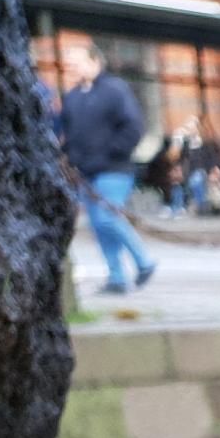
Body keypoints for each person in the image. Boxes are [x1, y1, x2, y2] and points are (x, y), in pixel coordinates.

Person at [56, 35, 156, 293]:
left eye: (77, 62)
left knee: (107, 218)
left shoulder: (115, 89)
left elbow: (133, 128)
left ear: (94, 61)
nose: (72, 68)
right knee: (97, 224)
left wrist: (111, 154)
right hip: (85, 173)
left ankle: (143, 261)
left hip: (113, 169)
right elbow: (68, 134)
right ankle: (116, 277)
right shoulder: (72, 97)